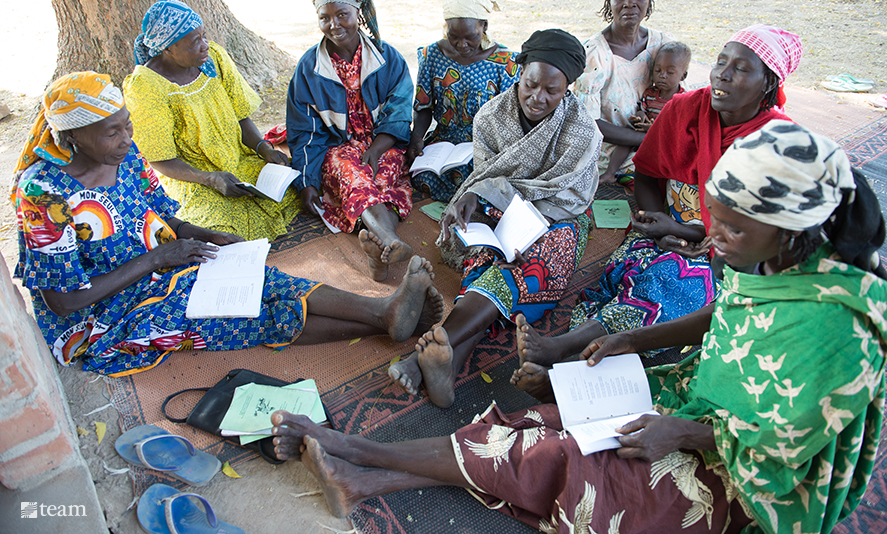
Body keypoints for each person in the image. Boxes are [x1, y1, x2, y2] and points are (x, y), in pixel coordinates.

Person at [270, 121, 887, 534]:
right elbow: (727, 315)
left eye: (731, 231)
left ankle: (358, 453)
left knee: (576, 463)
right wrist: (631, 340)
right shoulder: (778, 258)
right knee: (547, 424)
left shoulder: (840, 330)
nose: (714, 242)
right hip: (701, 406)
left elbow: (780, 450)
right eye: (711, 222)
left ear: (791, 228)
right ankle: (362, 472)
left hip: (751, 480)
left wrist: (683, 433)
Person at [11, 72, 444, 376]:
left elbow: (165, 218)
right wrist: (159, 258)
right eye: (111, 132)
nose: (127, 139)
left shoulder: (124, 156)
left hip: (162, 264)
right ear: (71, 138)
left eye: (127, 126)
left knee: (257, 276)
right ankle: (384, 317)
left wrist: (208, 237)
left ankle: (384, 313)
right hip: (102, 316)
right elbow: (63, 303)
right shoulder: (43, 195)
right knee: (231, 313)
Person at [510, 26, 803, 374]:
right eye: (721, 61)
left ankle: (565, 352)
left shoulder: (778, 143)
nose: (722, 73)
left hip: (728, 257)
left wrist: (690, 234)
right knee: (624, 278)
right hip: (665, 231)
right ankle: (583, 361)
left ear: (768, 83)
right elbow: (648, 173)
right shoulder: (685, 109)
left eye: (740, 68)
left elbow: (761, 242)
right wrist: (657, 219)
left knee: (673, 283)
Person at [388, 29, 602, 408]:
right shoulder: (491, 116)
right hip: (503, 212)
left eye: (551, 91)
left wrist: (512, 212)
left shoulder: (582, 131)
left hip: (560, 218)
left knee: (530, 264)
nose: (538, 97)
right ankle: (446, 371)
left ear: (568, 88)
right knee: (488, 255)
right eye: (531, 84)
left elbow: (571, 195)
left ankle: (437, 351)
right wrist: (474, 198)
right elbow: (487, 179)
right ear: (519, 72)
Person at [122, 0, 299, 242]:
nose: (205, 45)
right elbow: (161, 160)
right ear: (168, 49)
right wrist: (210, 179)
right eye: (195, 42)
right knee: (217, 228)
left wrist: (262, 148)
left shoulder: (212, 58)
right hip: (191, 177)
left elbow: (241, 116)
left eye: (204, 35)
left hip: (237, 160)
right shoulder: (146, 87)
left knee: (300, 183)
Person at [286, 0, 414, 282]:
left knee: (384, 174)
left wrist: (377, 148)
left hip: (383, 140)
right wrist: (307, 182)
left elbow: (399, 109)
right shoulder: (309, 69)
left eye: (342, 14)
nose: (334, 24)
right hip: (338, 145)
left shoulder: (388, 59)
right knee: (352, 172)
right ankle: (389, 239)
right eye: (324, 17)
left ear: (359, 14)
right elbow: (304, 132)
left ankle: (380, 244)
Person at [408, 0, 521, 202]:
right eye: (454, 37)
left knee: (478, 178)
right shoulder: (432, 55)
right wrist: (416, 139)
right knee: (421, 174)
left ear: (484, 26)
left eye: (470, 36)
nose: (462, 44)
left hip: (484, 143)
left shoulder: (504, 61)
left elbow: (510, 117)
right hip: (444, 141)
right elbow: (423, 107)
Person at [574, 0, 673, 184]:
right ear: (609, 1)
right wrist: (644, 137)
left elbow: (678, 99)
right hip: (606, 159)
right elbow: (589, 121)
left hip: (653, 148)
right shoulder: (594, 53)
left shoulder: (664, 47)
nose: (630, 3)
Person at [602, 40, 691, 184]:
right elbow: (642, 109)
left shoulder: (682, 100)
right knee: (626, 136)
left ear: (683, 76)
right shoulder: (650, 93)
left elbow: (679, 129)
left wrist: (654, 129)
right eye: (658, 70)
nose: (662, 75)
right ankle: (610, 173)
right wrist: (640, 117)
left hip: (664, 139)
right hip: (643, 136)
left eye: (670, 72)